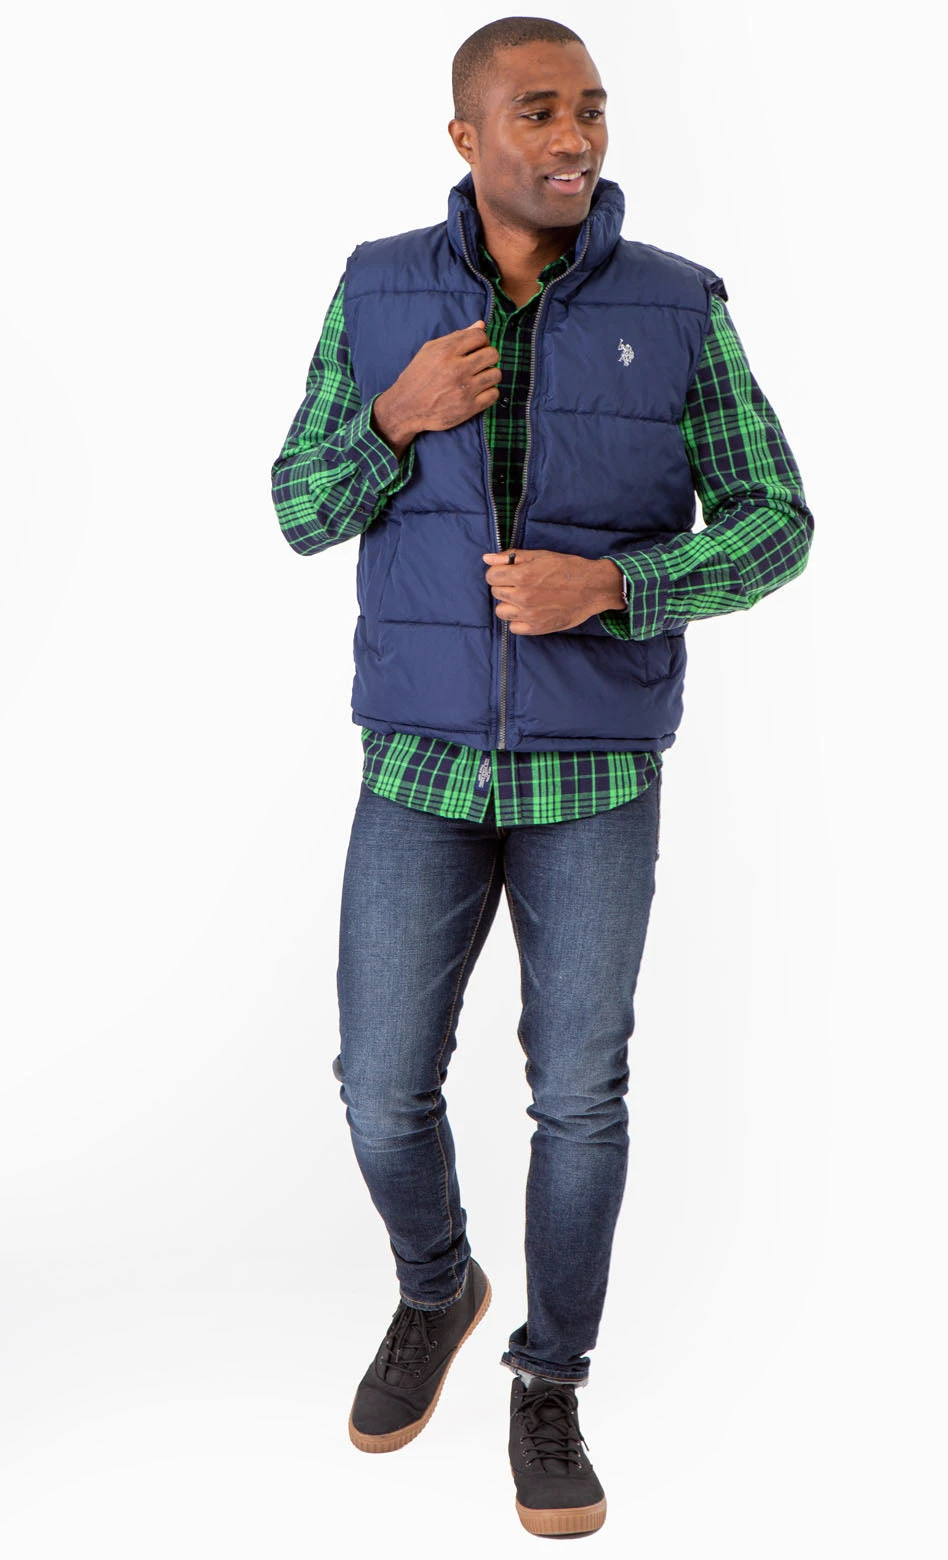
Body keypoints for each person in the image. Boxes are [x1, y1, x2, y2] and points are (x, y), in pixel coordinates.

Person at [270, 14, 814, 1539]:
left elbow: (777, 519)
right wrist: (395, 419)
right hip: (419, 759)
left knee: (579, 1097)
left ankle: (550, 1379)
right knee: (381, 1088)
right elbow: (300, 506)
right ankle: (436, 1286)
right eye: (536, 112)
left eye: (590, 109)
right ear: (466, 136)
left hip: (595, 773)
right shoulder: (378, 290)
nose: (573, 139)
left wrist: (618, 589)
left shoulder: (677, 305)